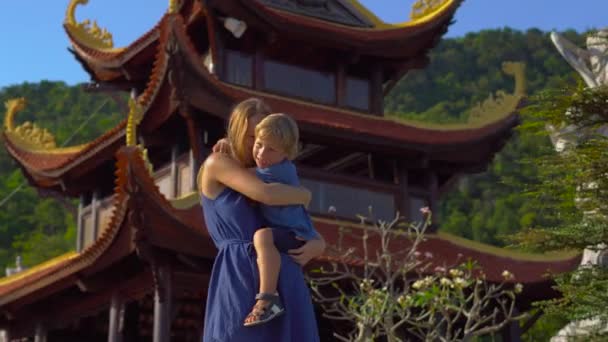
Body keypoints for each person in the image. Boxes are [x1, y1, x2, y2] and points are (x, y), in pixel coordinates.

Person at [198, 98, 324, 342]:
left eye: (264, 139)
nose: (258, 147)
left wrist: (319, 244)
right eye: (250, 137)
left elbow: (296, 222)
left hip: (284, 275)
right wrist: (305, 194)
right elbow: (265, 194)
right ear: (235, 132)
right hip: (239, 274)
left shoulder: (274, 173)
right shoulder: (218, 163)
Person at [243, 113, 319, 327]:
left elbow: (242, 175)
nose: (261, 153)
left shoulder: (279, 172)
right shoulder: (271, 166)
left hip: (296, 235)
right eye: (258, 144)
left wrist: (224, 159)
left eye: (271, 149)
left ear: (286, 154)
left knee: (263, 237)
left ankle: (267, 298)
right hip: (291, 231)